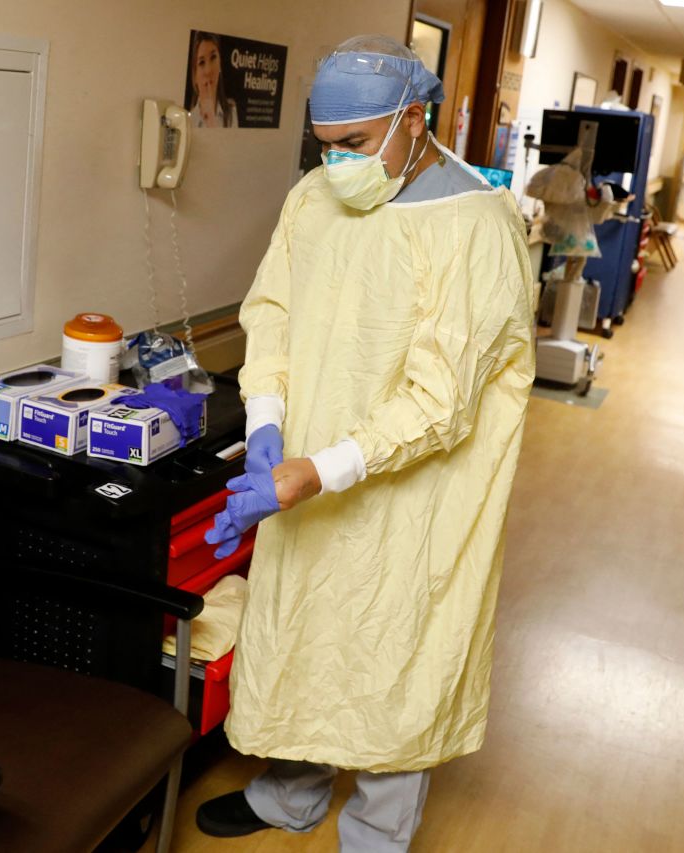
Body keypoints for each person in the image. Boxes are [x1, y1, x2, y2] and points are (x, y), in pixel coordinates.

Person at [198, 34, 536, 851]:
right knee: (302, 629)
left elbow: (440, 400)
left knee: (394, 647)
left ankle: (378, 832)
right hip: (303, 473)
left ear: (414, 119)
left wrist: (323, 468)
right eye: (325, 147)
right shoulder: (314, 199)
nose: (337, 163)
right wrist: (268, 423)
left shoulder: (475, 228)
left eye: (354, 144)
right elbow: (271, 311)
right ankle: (290, 794)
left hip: (411, 493)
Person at [188, 31, 238, 128]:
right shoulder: (189, 120)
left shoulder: (232, 114)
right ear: (195, 75)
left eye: (213, 57)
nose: (208, 70)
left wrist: (211, 119)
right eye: (202, 62)